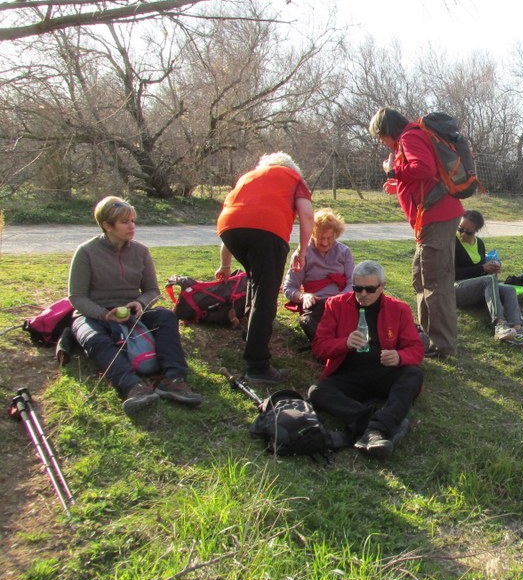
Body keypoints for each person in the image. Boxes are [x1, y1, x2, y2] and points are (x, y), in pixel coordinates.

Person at [68, 196, 203, 413]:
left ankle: (174, 380)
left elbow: (152, 290)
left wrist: (140, 303)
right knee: (94, 338)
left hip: (133, 311)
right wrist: (104, 314)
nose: (132, 226)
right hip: (95, 314)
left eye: (132, 220)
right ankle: (133, 386)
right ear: (107, 226)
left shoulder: (140, 251)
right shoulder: (86, 252)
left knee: (167, 317)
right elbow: (77, 297)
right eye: (124, 222)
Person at [369, 107, 462, 358]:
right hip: (430, 219)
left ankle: (443, 346)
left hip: (436, 217)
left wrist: (393, 171)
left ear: (387, 131)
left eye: (381, 137)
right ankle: (431, 335)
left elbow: (423, 168)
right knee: (421, 278)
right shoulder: (412, 137)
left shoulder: (409, 136)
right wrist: (398, 182)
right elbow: (420, 176)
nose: (382, 143)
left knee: (435, 282)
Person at [216, 152, 314, 384]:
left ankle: (249, 336)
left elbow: (238, 215)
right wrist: (302, 250)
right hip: (267, 232)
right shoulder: (294, 179)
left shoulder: (248, 178)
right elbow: (307, 216)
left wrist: (225, 264)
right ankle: (257, 366)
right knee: (267, 295)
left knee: (256, 281)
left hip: (228, 230)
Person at [308, 260, 424, 457]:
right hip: (349, 374)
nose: (363, 294)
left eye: (370, 289)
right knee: (317, 391)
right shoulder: (336, 305)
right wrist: (344, 343)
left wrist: (398, 356)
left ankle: (373, 427)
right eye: (357, 288)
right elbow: (319, 347)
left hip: (383, 372)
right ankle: (378, 426)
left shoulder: (399, 309)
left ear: (382, 287)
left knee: (413, 374)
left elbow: (416, 348)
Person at [454, 210, 523, 348]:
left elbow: (479, 274)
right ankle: (500, 325)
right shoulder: (452, 241)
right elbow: (452, 273)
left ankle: (517, 331)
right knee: (488, 280)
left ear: (476, 230)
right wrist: (483, 269)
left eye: (468, 232)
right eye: (460, 229)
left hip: (475, 289)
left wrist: (493, 269)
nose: (463, 234)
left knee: (509, 290)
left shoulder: (479, 244)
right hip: (455, 288)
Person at [283, 209, 354, 341]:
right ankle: (327, 344)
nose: (325, 243)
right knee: (308, 321)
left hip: (342, 302)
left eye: (330, 238)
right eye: (321, 238)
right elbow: (289, 288)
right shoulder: (302, 254)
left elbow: (353, 283)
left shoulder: (344, 252)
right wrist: (304, 296)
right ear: (312, 234)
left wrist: (341, 297)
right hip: (318, 304)